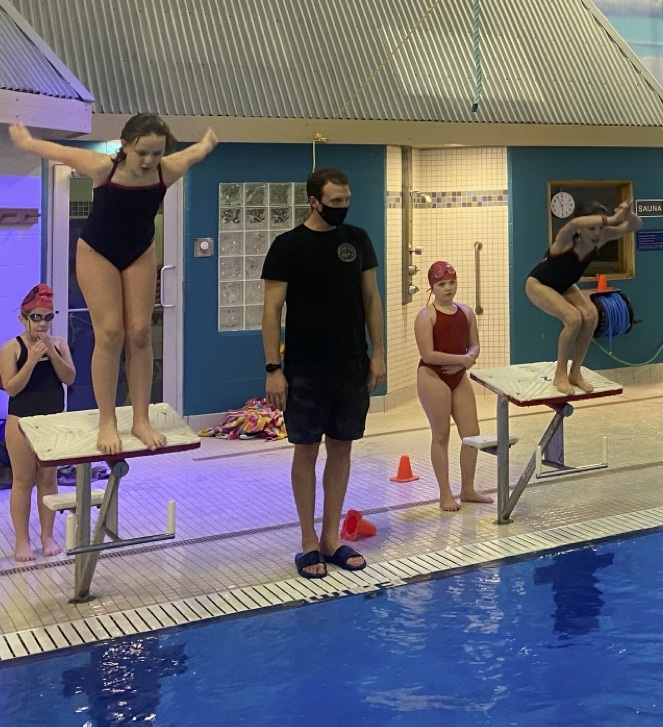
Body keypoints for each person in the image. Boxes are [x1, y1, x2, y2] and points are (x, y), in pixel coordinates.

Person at [9, 115, 218, 454]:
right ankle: (107, 420)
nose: (150, 161)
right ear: (125, 146)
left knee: (139, 332)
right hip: (97, 251)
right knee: (109, 332)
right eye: (142, 153)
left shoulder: (168, 169)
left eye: (156, 153)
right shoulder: (103, 168)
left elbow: (195, 153)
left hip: (139, 250)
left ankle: (140, 419)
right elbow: (60, 150)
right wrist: (28, 143)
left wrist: (208, 142)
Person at [261, 167, 386, 579]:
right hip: (305, 367)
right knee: (306, 450)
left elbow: (372, 299)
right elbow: (271, 312)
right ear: (313, 201)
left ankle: (331, 537)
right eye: (335, 202)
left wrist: (378, 353)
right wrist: (273, 369)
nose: (342, 207)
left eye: (346, 200)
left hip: (350, 361)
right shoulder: (287, 246)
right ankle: (307, 540)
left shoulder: (358, 240)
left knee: (342, 446)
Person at [526, 199, 642, 395]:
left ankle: (575, 372)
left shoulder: (601, 238)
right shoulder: (565, 239)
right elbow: (572, 223)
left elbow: (635, 225)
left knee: (590, 316)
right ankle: (560, 374)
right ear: (581, 228)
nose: (597, 233)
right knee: (573, 319)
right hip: (539, 284)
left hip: (564, 285)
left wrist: (627, 214)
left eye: (600, 228)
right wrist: (613, 218)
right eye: (591, 228)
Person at [0, 284, 76, 561]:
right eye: (36, 317)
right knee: (23, 481)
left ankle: (47, 537)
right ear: (23, 318)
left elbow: (69, 378)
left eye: (47, 317)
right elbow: (11, 388)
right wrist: (31, 360)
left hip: (52, 421)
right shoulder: (11, 348)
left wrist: (52, 354)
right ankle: (22, 541)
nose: (42, 323)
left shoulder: (59, 344)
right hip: (21, 422)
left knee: (48, 479)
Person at [414, 261, 493, 512]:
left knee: (471, 433)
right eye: (441, 284)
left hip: (457, 377)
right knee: (441, 435)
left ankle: (467, 489)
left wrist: (465, 361)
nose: (448, 288)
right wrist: (462, 360)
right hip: (432, 376)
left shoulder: (466, 312)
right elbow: (428, 355)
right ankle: (445, 494)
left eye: (451, 282)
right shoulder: (427, 316)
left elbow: (474, 345)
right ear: (432, 288)